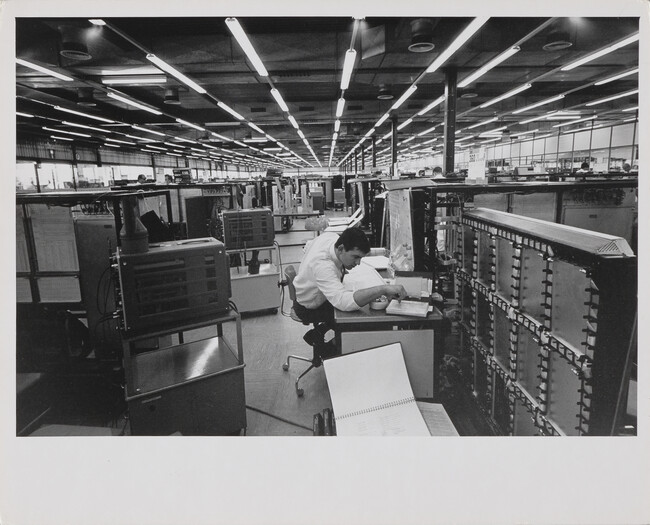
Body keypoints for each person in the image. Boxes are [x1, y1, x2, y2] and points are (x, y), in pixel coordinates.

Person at [292, 227, 407, 353]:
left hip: (310, 294)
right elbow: (342, 301)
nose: (358, 263)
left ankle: (319, 332)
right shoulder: (323, 265)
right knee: (362, 321)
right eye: (355, 257)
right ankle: (327, 351)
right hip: (310, 306)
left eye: (360, 258)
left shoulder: (331, 238)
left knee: (360, 298)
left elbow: (308, 246)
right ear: (341, 249)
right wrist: (383, 289)